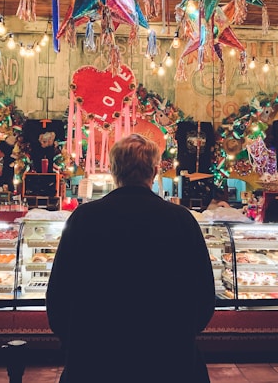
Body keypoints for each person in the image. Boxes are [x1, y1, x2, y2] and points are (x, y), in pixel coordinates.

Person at [46, 133, 216, 383]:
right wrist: (180, 334)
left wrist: (76, 343)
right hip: (170, 360)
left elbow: (58, 296)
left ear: (114, 172)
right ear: (155, 171)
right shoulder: (181, 219)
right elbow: (204, 296)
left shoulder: (84, 219)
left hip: (94, 360)